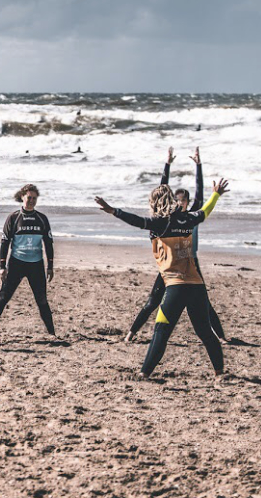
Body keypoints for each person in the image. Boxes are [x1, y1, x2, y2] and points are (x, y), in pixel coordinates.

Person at [95, 178, 229, 378]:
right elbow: (206, 211)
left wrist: (114, 211)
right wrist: (216, 194)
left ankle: (144, 374)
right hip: (197, 285)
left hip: (176, 286)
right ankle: (220, 372)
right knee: (205, 332)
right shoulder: (188, 219)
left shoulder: (161, 223)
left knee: (161, 331)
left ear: (156, 203)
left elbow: (138, 222)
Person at [125, 147, 226, 343]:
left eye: (183, 201)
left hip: (190, 263)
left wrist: (198, 165)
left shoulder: (191, 216)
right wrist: (167, 165)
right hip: (169, 265)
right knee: (153, 302)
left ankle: (221, 337)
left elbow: (200, 192)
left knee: (205, 302)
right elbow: (161, 191)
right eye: (176, 201)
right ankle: (130, 334)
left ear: (188, 202)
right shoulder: (165, 217)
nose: (180, 204)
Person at [0, 184, 55, 336]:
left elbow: (48, 243)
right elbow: (5, 242)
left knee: (42, 300)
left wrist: (50, 266)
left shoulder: (42, 219)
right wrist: (2, 266)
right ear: (22, 197)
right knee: (3, 297)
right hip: (17, 263)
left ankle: (52, 333)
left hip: (36, 265)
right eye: (29, 197)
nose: (31, 201)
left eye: (34, 198)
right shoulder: (14, 218)